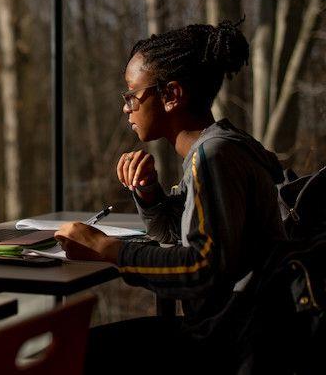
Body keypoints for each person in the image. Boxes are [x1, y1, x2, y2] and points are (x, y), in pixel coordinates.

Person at [54, 22, 286, 374]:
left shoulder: (213, 157)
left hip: (228, 343)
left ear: (171, 95)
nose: (126, 108)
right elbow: (176, 235)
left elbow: (201, 268)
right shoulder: (221, 145)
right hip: (240, 332)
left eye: (132, 95)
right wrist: (149, 193)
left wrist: (109, 250)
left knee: (73, 352)